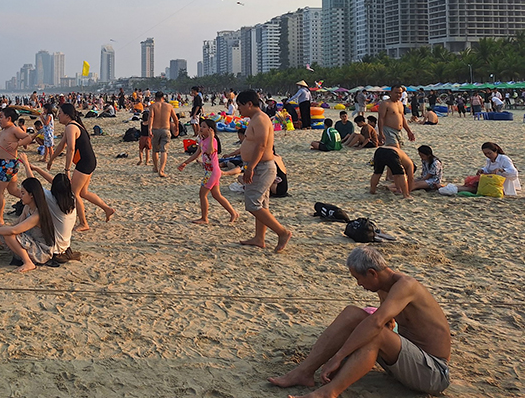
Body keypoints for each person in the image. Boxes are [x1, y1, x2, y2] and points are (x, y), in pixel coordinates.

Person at [268, 246, 451, 397]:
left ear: (372, 273)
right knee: (353, 314)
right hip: (406, 364)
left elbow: (377, 323)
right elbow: (388, 324)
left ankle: (328, 393)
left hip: (433, 373)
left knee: (375, 330)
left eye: (358, 278)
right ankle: (304, 372)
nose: (358, 284)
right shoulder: (383, 287)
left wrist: (338, 357)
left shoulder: (405, 285)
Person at [235, 90, 291, 252]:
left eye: (240, 106)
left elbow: (261, 145)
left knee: (252, 204)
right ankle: (260, 238)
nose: (239, 109)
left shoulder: (260, 119)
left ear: (249, 104)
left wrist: (250, 167)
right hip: (259, 166)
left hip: (261, 166)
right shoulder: (256, 119)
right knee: (262, 204)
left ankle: (282, 232)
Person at [48, 103, 114, 232]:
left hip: (85, 162)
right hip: (89, 161)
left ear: (67, 115)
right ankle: (107, 209)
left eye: (60, 113)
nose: (58, 116)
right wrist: (51, 159)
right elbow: (61, 146)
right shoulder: (71, 126)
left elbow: (71, 148)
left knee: (74, 193)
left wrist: (67, 170)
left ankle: (84, 223)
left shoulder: (71, 127)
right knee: (83, 192)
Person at [178, 119, 239, 224]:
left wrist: (211, 137)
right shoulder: (202, 141)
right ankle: (233, 213)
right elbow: (196, 154)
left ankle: (204, 218)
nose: (201, 128)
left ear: (210, 130)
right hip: (209, 172)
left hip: (213, 172)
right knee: (216, 195)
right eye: (201, 126)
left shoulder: (213, 140)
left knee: (202, 194)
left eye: (204, 127)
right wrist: (185, 163)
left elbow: (211, 151)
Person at [19, 152, 78, 262]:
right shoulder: (72, 200)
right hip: (65, 246)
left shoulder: (52, 199)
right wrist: (36, 168)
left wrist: (26, 164)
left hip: (53, 248)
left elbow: (33, 185)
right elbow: (57, 183)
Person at [0, 108, 34, 223]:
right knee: (12, 190)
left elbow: (28, 137)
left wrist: (18, 143)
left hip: (9, 164)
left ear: (9, 118)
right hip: (5, 163)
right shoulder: (4, 130)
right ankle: (35, 203)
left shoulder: (14, 129)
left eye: (1, 117)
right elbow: (4, 145)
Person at [457, 142, 521, 196]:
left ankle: (454, 189)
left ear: (495, 151)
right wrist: (482, 170)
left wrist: (501, 170)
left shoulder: (504, 158)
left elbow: (514, 172)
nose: (487, 155)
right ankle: (454, 188)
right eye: (485, 154)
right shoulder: (489, 160)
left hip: (505, 184)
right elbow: (488, 169)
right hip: (493, 183)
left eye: (489, 153)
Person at [148, 91, 179, 177]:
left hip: (155, 129)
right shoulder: (169, 106)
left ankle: (155, 167)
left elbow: (151, 117)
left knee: (155, 150)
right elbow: (175, 119)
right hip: (166, 129)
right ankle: (161, 170)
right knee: (164, 151)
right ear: (163, 97)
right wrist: (177, 127)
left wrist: (149, 129)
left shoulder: (153, 106)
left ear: (155, 98)